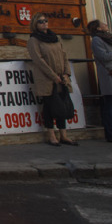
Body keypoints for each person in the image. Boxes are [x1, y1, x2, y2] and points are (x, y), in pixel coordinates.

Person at [27, 12, 78, 147]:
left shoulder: (55, 38)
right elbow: (38, 60)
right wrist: (53, 76)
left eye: (46, 21)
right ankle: (51, 135)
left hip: (61, 77)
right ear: (35, 24)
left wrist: (66, 73)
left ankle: (63, 135)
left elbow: (64, 56)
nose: (44, 23)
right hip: (47, 78)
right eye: (41, 21)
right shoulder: (34, 40)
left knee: (62, 105)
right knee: (49, 106)